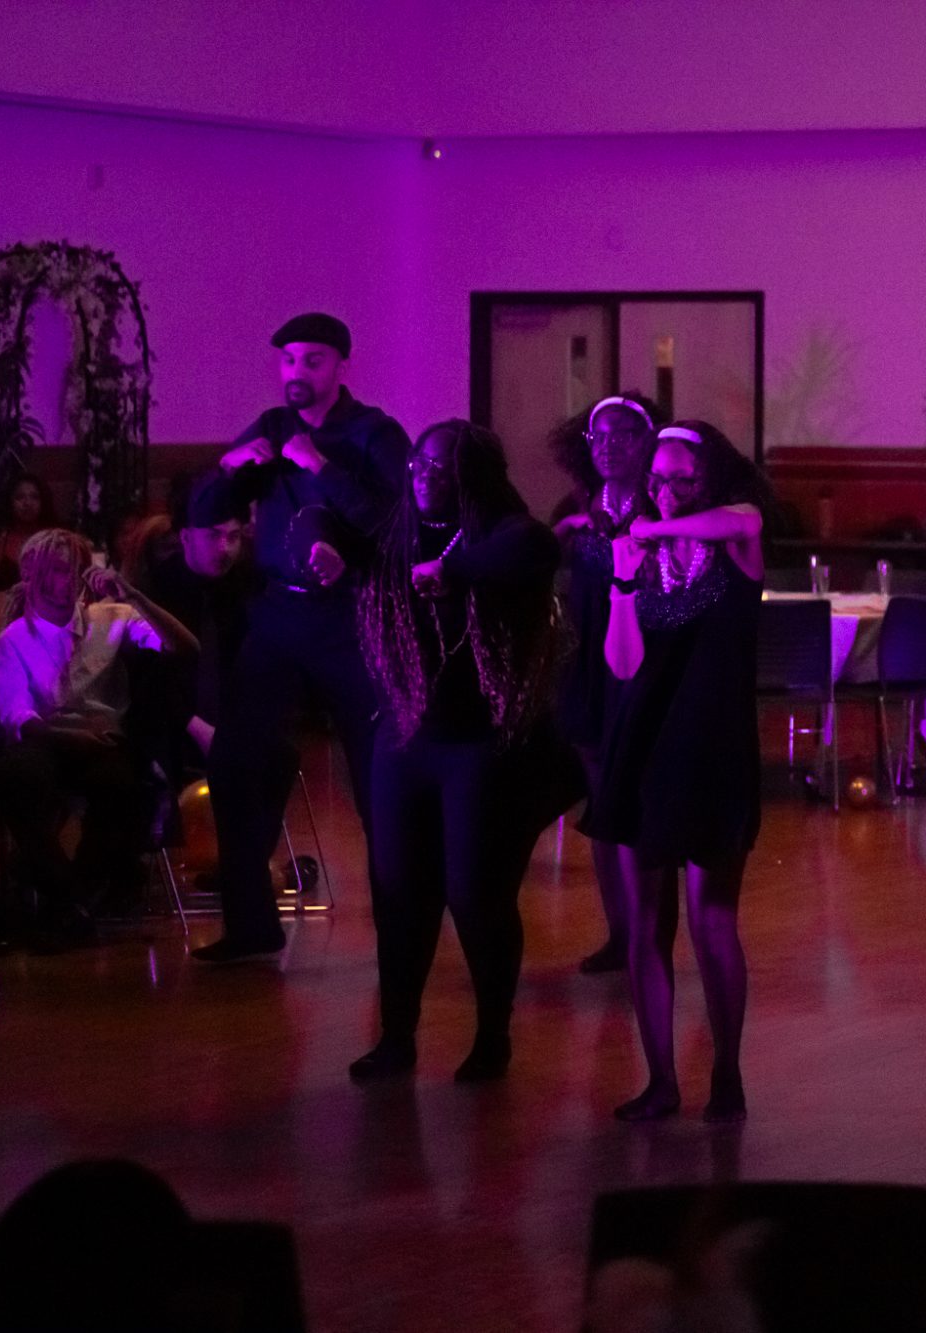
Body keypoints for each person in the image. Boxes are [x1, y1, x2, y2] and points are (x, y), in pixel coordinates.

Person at [348, 421, 561, 1083]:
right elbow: (324, 523)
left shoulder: (506, 534)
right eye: (418, 463)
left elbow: (536, 550)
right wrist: (320, 542)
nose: (424, 475)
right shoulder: (398, 533)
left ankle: (493, 1035)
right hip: (404, 741)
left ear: (475, 475)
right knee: (399, 895)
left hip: (480, 746)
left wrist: (454, 569)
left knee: (475, 896)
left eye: (442, 467)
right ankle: (397, 1038)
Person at [193, 313, 408, 962]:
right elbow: (209, 511)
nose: (296, 371)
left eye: (312, 359)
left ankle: (400, 931)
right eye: (288, 360)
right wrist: (228, 468)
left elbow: (396, 525)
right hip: (279, 616)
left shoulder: (374, 433)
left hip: (351, 619)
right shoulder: (272, 424)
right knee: (233, 760)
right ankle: (251, 927)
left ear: (341, 365)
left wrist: (320, 466)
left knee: (376, 777)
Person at [588, 421, 767, 1123]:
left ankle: (727, 1074)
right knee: (646, 922)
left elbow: (740, 518)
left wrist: (652, 531)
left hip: (715, 748)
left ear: (708, 479)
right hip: (645, 748)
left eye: (681, 480)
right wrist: (623, 577)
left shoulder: (737, 538)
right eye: (657, 480)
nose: (664, 491)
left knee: (712, 918)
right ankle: (661, 1081)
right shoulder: (641, 555)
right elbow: (623, 662)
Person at [0, 529, 198, 946]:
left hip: (104, 740)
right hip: (47, 738)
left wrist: (133, 595)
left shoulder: (112, 618)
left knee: (124, 785)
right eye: (57, 570)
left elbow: (186, 649)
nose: (68, 580)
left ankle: (76, 897)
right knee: (17, 777)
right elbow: (20, 719)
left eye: (76, 570)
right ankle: (65, 896)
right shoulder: (11, 644)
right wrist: (73, 736)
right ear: (32, 574)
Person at [552, 393, 662, 975]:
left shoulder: (664, 505)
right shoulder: (577, 508)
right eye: (600, 435)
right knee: (602, 807)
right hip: (589, 670)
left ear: (649, 441)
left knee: (639, 804)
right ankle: (620, 934)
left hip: (642, 669)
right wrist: (566, 530)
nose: (610, 445)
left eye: (625, 434)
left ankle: (648, 934)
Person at [133, 470, 256, 772]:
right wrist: (195, 725)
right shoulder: (155, 591)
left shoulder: (248, 587)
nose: (225, 548)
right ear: (186, 537)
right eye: (214, 535)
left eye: (233, 537)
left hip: (236, 726)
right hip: (169, 727)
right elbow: (146, 678)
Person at [0, 471, 60, 585]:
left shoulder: (54, 541)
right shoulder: (0, 539)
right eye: (20, 497)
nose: (27, 503)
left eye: (34, 497)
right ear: (9, 502)